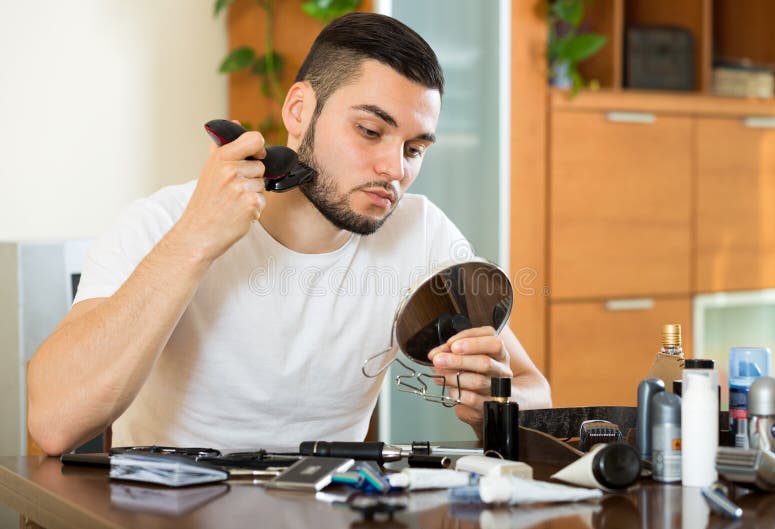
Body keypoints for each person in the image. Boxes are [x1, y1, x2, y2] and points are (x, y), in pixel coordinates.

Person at [28, 13, 551, 455]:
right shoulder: (160, 223)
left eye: (414, 149)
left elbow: (532, 390)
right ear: (299, 111)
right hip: (165, 514)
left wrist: (493, 405)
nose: (395, 169)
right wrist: (196, 240)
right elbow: (53, 423)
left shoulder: (419, 233)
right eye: (370, 131)